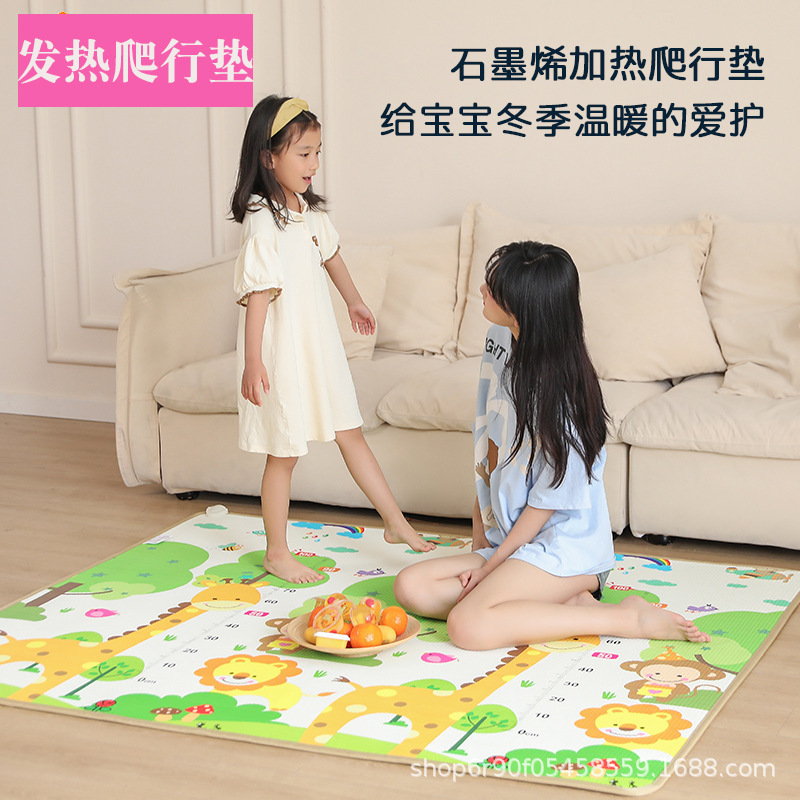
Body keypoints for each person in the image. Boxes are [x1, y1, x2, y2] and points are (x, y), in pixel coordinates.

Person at [393, 241, 710, 650]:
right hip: (514, 539)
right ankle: (569, 604)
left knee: (466, 625)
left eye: (495, 287)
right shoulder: (499, 341)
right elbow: (489, 437)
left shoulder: (562, 398)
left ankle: (623, 617)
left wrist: (492, 570)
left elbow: (546, 505)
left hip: (564, 548)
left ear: (525, 307)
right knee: (411, 587)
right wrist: (483, 544)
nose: (483, 290)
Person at [230, 95, 434, 584]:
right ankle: (277, 551)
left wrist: (355, 301)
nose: (313, 164)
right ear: (268, 157)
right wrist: (253, 362)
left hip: (318, 345)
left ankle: (394, 522)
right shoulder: (263, 220)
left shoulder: (308, 212)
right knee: (286, 452)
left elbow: (333, 258)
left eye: (317, 152)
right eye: (303, 154)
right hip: (282, 352)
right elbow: (259, 297)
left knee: (350, 431)